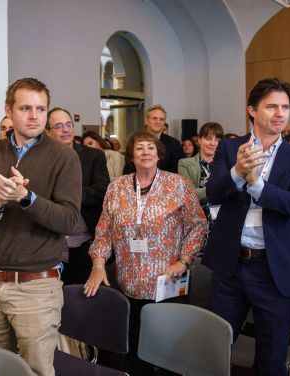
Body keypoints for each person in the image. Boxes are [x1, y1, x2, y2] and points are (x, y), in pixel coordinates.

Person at [0, 78, 81, 376]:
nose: (34, 116)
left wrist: (27, 198)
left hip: (36, 285)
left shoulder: (64, 156)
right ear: (9, 110)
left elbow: (68, 219)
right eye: (26, 108)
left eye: (41, 108)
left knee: (36, 371)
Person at [202, 78, 290, 375]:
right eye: (271, 106)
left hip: (272, 269)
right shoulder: (229, 147)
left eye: (285, 107)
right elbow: (213, 192)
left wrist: (257, 185)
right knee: (214, 348)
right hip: (231, 265)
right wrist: (238, 171)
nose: (280, 114)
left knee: (271, 359)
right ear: (251, 110)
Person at [84, 130, 206, 375]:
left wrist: (184, 260)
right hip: (130, 284)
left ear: (159, 153)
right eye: (139, 148)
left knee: (170, 351)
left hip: (168, 282)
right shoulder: (116, 188)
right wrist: (98, 265)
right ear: (131, 156)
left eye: (151, 147)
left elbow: (197, 225)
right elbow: (104, 230)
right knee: (137, 350)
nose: (146, 152)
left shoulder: (178, 185)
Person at [47, 109, 109, 285]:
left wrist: (65, 193)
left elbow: (101, 191)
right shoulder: (42, 160)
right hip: (51, 242)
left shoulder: (93, 156)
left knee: (83, 298)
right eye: (58, 126)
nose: (65, 129)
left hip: (84, 242)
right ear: (48, 132)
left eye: (68, 124)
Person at [123, 105, 184, 174]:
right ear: (146, 121)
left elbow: (175, 171)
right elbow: (128, 169)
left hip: (165, 183)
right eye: (154, 118)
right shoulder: (135, 141)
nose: (158, 122)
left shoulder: (174, 144)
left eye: (161, 119)